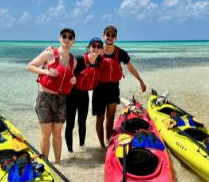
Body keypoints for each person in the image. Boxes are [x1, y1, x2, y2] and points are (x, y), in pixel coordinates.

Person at [26, 28, 80, 163]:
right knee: (46, 135)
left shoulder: (73, 61)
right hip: (45, 98)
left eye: (70, 37)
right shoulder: (49, 54)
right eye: (64, 36)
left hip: (61, 100)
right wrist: (46, 73)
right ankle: (45, 164)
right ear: (59, 38)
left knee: (57, 134)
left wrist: (73, 80)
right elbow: (30, 66)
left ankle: (57, 163)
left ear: (73, 41)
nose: (67, 39)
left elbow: (69, 77)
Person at [91, 25, 148, 141]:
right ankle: (102, 145)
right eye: (108, 34)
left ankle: (108, 142)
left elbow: (130, 67)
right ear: (103, 36)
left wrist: (141, 81)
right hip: (99, 88)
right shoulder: (97, 52)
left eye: (112, 35)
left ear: (116, 37)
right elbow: (84, 62)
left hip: (113, 88)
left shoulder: (121, 53)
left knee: (111, 117)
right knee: (100, 118)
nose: (110, 37)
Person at [64, 37, 104, 152]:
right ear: (89, 47)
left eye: (99, 46)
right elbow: (65, 67)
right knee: (70, 125)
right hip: (71, 94)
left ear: (101, 49)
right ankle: (70, 152)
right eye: (94, 46)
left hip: (84, 95)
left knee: (82, 122)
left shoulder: (99, 61)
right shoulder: (80, 59)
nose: (96, 48)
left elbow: (112, 51)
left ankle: (82, 147)